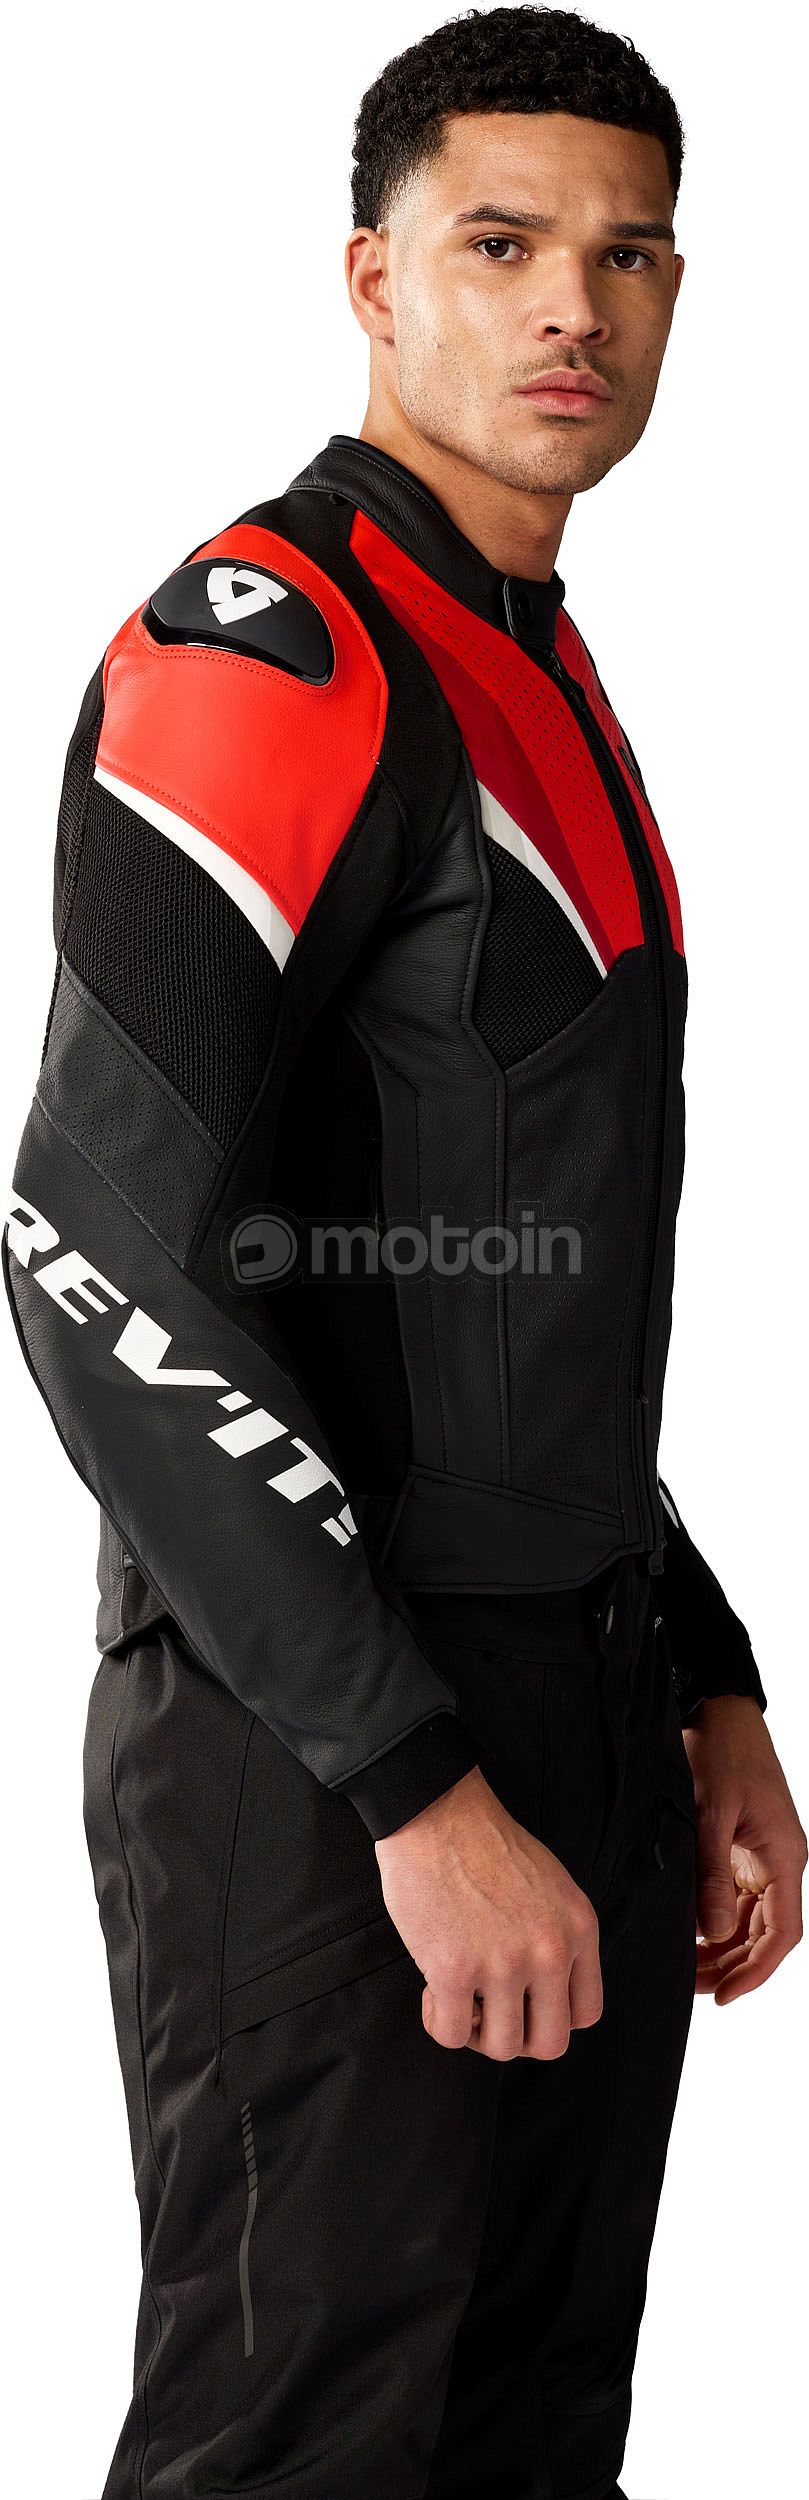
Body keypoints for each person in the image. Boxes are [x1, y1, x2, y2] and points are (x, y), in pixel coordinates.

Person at [3, 9, 805, 2497]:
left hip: (572, 1696)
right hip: (324, 1734)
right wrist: (410, 1777)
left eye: (629, 254)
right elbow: (92, 1251)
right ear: (374, 278)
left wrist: (700, 1666)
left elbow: (498, 1284)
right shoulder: (270, 648)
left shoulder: (537, 664)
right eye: (503, 242)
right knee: (308, 2444)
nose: (576, 304)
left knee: (527, 2437)